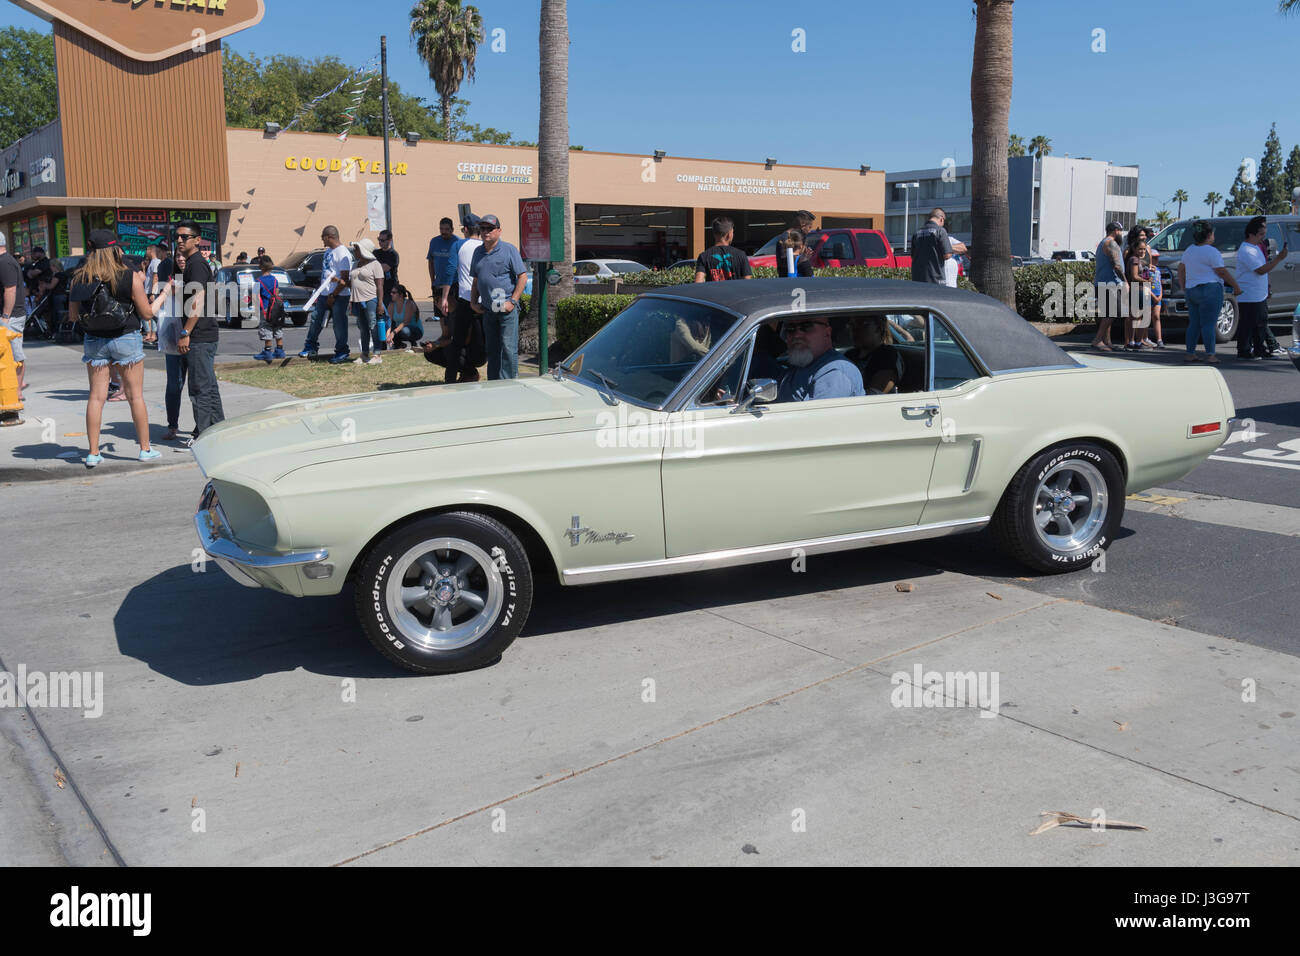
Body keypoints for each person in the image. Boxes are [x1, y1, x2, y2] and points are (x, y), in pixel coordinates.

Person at [65, 229, 159, 465]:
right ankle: (145, 449)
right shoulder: (129, 275)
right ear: (115, 249)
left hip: (95, 340)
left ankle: (94, 453)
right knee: (135, 395)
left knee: (96, 398)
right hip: (126, 337)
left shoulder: (79, 277)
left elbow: (73, 316)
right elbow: (147, 313)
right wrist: (164, 296)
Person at [174, 219, 226, 434]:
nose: (179, 240)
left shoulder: (196, 264)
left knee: (199, 389)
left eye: (184, 237)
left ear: (197, 240)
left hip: (200, 336)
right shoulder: (194, 263)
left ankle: (202, 435)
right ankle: (219, 430)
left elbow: (198, 301)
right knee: (209, 387)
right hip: (204, 334)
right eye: (177, 236)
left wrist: (186, 332)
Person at [468, 214, 527, 380]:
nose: (485, 232)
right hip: (488, 310)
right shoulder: (477, 252)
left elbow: (522, 277)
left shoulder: (509, 250)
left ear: (499, 231)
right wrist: (473, 302)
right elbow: (476, 280)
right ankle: (494, 383)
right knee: (492, 349)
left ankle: (509, 384)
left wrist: (513, 301)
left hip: (506, 309)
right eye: (483, 228)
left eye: (489, 228)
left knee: (508, 348)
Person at [1177, 220, 1240, 364]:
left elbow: (1181, 269)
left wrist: (1183, 286)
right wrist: (1236, 286)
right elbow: (1221, 271)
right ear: (1209, 235)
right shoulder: (1213, 251)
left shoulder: (1189, 250)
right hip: (1210, 290)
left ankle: (1190, 353)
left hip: (1192, 290)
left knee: (1194, 323)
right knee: (1209, 324)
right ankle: (1210, 354)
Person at [1235, 216, 1288, 361]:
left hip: (1259, 294)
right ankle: (1244, 351)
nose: (1263, 237)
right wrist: (1279, 259)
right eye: (1261, 234)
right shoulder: (1247, 250)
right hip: (1249, 294)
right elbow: (1260, 270)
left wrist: (1267, 288)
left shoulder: (1256, 248)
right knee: (1248, 324)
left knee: (1261, 323)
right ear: (1251, 234)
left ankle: (1260, 349)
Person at [775, 317, 864, 402]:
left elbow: (816, 417)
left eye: (807, 326)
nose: (796, 335)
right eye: (790, 328)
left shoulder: (835, 372)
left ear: (827, 333)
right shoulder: (795, 366)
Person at [299, 225, 353, 362]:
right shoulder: (328, 251)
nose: (321, 239)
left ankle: (342, 351)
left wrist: (333, 295)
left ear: (329, 237)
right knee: (315, 320)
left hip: (339, 296)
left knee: (339, 325)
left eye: (322, 237)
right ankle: (310, 347)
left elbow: (345, 280)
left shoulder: (343, 253)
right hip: (324, 295)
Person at [155, 248, 188, 440]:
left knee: (197, 387)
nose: (181, 259)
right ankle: (172, 425)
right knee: (174, 385)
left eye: (184, 256)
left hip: (195, 339)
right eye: (178, 257)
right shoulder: (171, 281)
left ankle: (200, 428)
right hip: (173, 338)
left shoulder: (200, 278)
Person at [447, 214, 485, 383]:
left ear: (467, 229)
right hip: (485, 300)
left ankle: (451, 378)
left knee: (458, 342)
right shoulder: (487, 245)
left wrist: (443, 297)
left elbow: (450, 271)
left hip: (465, 299)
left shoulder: (459, 245)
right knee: (484, 339)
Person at [1090, 220, 1129, 351]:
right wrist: (1125, 281)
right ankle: (1097, 340)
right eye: (1120, 231)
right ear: (1115, 231)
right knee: (1110, 313)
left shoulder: (1103, 242)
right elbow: (1116, 265)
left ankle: (1107, 341)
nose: (1121, 234)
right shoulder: (1111, 243)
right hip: (1110, 283)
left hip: (1104, 282)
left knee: (1107, 313)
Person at [348, 238, 387, 365]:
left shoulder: (375, 264)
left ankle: (377, 354)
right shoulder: (355, 264)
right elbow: (352, 283)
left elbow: (380, 286)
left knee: (373, 326)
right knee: (363, 328)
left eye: (357, 249)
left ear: (364, 250)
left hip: (371, 299)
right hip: (357, 300)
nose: (355, 251)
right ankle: (364, 354)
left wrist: (380, 303)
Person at [845, 315, 905, 394]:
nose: (854, 329)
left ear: (879, 328)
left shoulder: (887, 355)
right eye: (852, 324)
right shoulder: (850, 355)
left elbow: (874, 394)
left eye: (863, 324)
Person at [0, 231, 28, 396]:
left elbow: (10, 290)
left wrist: (5, 317)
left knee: (15, 354)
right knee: (7, 354)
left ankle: (17, 391)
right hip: (9, 315)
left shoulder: (5, 262)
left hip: (12, 316)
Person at [910, 208, 967, 285]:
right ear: (941, 219)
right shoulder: (940, 230)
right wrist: (943, 247)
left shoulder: (916, 233)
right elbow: (947, 255)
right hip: (935, 279)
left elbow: (913, 257)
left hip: (917, 279)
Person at [694, 217, 753, 282]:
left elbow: (698, 282)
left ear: (714, 233)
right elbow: (747, 282)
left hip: (713, 292)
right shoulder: (741, 255)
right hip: (736, 292)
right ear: (729, 235)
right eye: (732, 232)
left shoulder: (704, 256)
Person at [426, 217, 461, 325]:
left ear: (452, 229)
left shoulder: (458, 242)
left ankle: (454, 337)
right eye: (441, 229)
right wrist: (432, 281)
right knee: (441, 314)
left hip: (454, 283)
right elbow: (431, 262)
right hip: (438, 283)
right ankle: (445, 335)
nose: (444, 232)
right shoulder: (434, 241)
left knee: (454, 314)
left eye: (446, 229)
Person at [1123, 234, 1156, 351]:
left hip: (1137, 291)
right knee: (1141, 318)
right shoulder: (1135, 260)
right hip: (1139, 291)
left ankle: (1133, 342)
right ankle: (1137, 342)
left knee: (1135, 317)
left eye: (1144, 249)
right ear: (1134, 249)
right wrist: (1147, 280)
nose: (1142, 251)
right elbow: (1134, 276)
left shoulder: (1135, 259)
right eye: (1140, 249)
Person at [253, 255, 287, 363]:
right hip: (276, 308)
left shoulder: (258, 281)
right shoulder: (275, 280)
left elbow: (255, 297)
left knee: (266, 328)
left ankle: (267, 352)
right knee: (277, 327)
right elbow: (276, 294)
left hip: (265, 308)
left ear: (261, 267)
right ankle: (280, 350)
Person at [386, 284, 423, 351]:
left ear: (401, 295)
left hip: (415, 331)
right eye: (391, 292)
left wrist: (393, 333)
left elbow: (405, 322)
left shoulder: (409, 304)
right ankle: (399, 345)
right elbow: (389, 321)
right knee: (386, 331)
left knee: (404, 331)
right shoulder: (391, 305)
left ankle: (413, 343)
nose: (391, 294)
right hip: (399, 330)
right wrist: (388, 335)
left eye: (394, 293)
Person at [374, 229, 400, 313]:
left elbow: (384, 268)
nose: (380, 242)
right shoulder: (376, 253)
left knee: (390, 315)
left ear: (389, 240)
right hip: (378, 289)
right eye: (379, 239)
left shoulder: (393, 254)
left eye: (382, 240)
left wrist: (373, 266)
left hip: (391, 289)